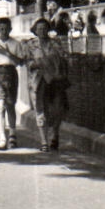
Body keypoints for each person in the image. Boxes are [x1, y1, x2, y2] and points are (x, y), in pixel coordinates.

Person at [24, 16, 70, 151]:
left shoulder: (55, 44)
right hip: (39, 81)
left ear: (48, 30)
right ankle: (44, 141)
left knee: (58, 109)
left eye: (44, 28)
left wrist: (55, 64)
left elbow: (64, 58)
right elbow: (28, 62)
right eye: (39, 29)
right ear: (35, 30)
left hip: (55, 80)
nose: (42, 31)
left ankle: (55, 134)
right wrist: (39, 63)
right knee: (40, 110)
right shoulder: (31, 45)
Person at [0, 16, 24, 150]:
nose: (3, 31)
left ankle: (12, 135)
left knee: (10, 105)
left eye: (6, 29)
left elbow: (20, 62)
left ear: (10, 29)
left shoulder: (16, 43)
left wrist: (7, 53)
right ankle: (2, 138)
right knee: (0, 106)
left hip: (10, 73)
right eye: (1, 28)